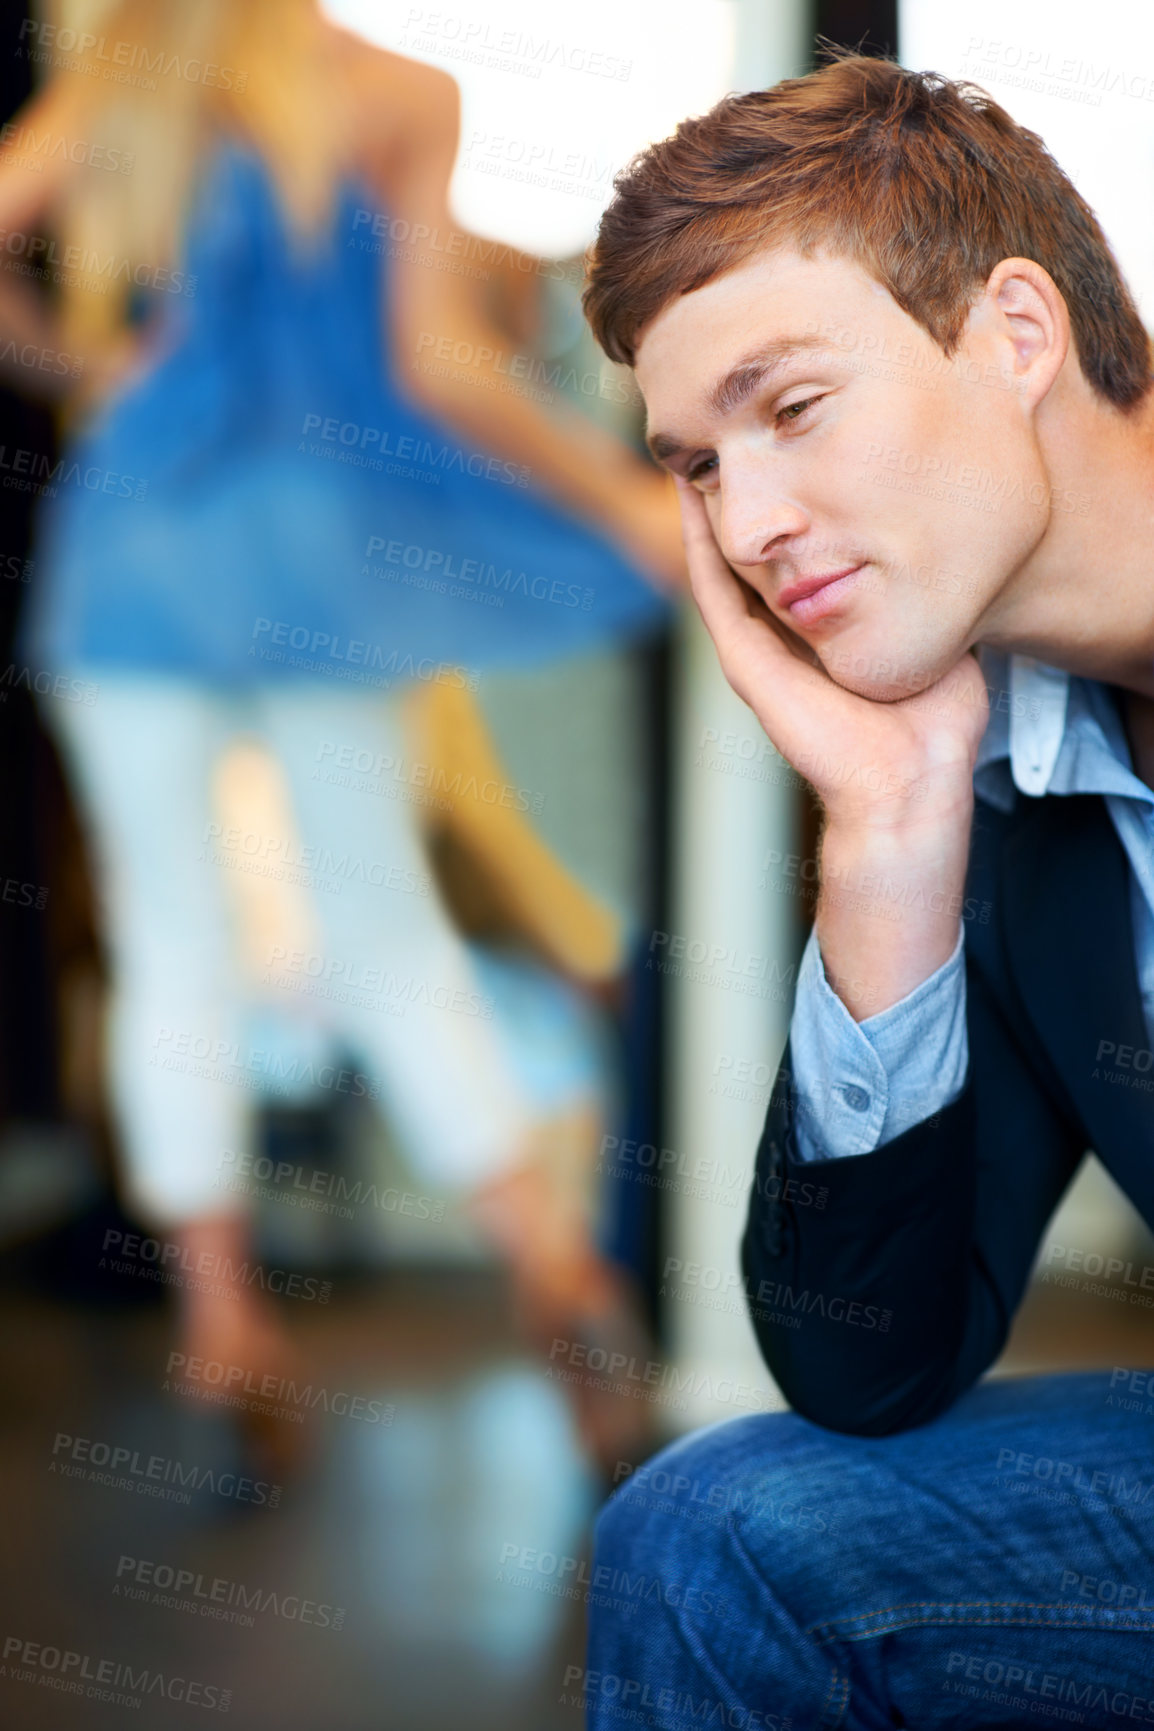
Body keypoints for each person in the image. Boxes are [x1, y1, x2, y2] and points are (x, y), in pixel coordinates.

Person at [2, 0, 681, 1446]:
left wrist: (78, 365)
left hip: (136, 554)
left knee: (171, 942)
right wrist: (614, 495)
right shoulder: (396, 91)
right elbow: (439, 369)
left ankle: (219, 1315)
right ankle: (553, 1272)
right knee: (385, 932)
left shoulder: (125, 78)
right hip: (319, 561)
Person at [576, 49, 1154, 1728]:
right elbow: (864, 1363)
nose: (750, 519)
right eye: (694, 464)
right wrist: (889, 844)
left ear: (1015, 333)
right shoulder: (1018, 772)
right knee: (721, 1538)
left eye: (792, 407)